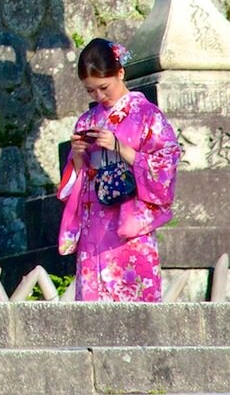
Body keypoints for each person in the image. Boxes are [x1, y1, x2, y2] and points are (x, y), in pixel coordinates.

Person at [56, 37, 180, 302]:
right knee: (94, 304)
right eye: (91, 91)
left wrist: (120, 147)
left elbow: (165, 161)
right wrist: (77, 158)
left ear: (120, 73)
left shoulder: (147, 115)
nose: (99, 96)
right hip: (94, 227)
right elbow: (76, 183)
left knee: (134, 304)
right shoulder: (87, 120)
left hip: (129, 226)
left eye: (103, 87)